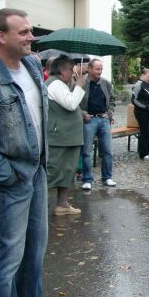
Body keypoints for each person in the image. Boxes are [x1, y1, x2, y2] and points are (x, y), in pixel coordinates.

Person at [0, 8, 48, 297]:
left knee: (34, 258)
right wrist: (8, 173)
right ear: (1, 36)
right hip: (10, 181)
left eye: (30, 30)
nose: (32, 37)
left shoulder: (32, 66)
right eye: (24, 32)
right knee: (6, 263)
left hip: (37, 173)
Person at [46, 55, 85, 216]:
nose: (73, 71)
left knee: (67, 172)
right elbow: (70, 104)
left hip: (67, 138)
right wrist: (79, 86)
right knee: (53, 172)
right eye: (71, 68)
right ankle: (36, 206)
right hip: (60, 138)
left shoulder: (60, 84)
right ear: (61, 69)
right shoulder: (55, 84)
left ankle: (62, 204)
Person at [80, 58, 116, 190]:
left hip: (103, 119)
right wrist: (83, 113)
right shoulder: (82, 82)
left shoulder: (105, 83)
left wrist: (109, 114)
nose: (100, 71)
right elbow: (75, 101)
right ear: (89, 69)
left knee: (107, 150)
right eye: (97, 69)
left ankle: (107, 177)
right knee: (86, 151)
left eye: (101, 69)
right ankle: (87, 179)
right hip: (89, 120)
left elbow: (112, 100)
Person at [131, 68, 149, 159]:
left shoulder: (148, 84)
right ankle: (143, 152)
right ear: (142, 75)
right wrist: (145, 107)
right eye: (147, 77)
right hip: (142, 112)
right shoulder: (138, 85)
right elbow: (134, 99)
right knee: (145, 131)